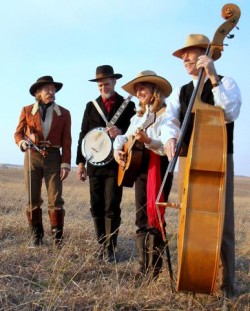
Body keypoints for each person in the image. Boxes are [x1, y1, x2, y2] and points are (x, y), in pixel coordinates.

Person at [162, 34, 242, 297]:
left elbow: (230, 112)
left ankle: (226, 283)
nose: (184, 58)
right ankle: (194, 273)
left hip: (218, 159)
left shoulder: (225, 82)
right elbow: (169, 120)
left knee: (223, 221)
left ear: (206, 52)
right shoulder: (182, 91)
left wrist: (214, 77)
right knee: (190, 217)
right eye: (182, 55)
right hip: (188, 159)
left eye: (189, 52)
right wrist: (170, 138)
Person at [113, 70, 173, 279]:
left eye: (143, 87)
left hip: (159, 167)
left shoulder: (166, 113)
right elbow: (123, 138)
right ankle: (143, 267)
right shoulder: (138, 117)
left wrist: (148, 141)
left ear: (154, 90)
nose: (139, 91)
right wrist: (116, 150)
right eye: (137, 88)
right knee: (141, 218)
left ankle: (154, 271)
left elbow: (166, 145)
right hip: (139, 169)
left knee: (154, 218)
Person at [76, 65, 135, 263]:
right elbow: (84, 135)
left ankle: (111, 248)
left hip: (116, 164)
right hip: (94, 164)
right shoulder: (90, 106)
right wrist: (80, 163)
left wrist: (121, 132)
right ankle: (102, 244)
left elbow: (134, 132)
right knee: (96, 206)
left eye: (106, 84)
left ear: (114, 82)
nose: (103, 88)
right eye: (100, 85)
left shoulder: (127, 105)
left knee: (112, 205)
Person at [14, 75, 71, 248]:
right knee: (32, 197)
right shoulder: (26, 110)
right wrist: (22, 142)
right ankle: (36, 237)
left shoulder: (64, 113)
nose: (51, 92)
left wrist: (66, 164)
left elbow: (67, 140)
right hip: (32, 156)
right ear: (38, 93)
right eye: (47, 89)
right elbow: (18, 133)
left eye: (53, 89)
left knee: (56, 198)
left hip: (54, 157)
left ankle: (57, 240)